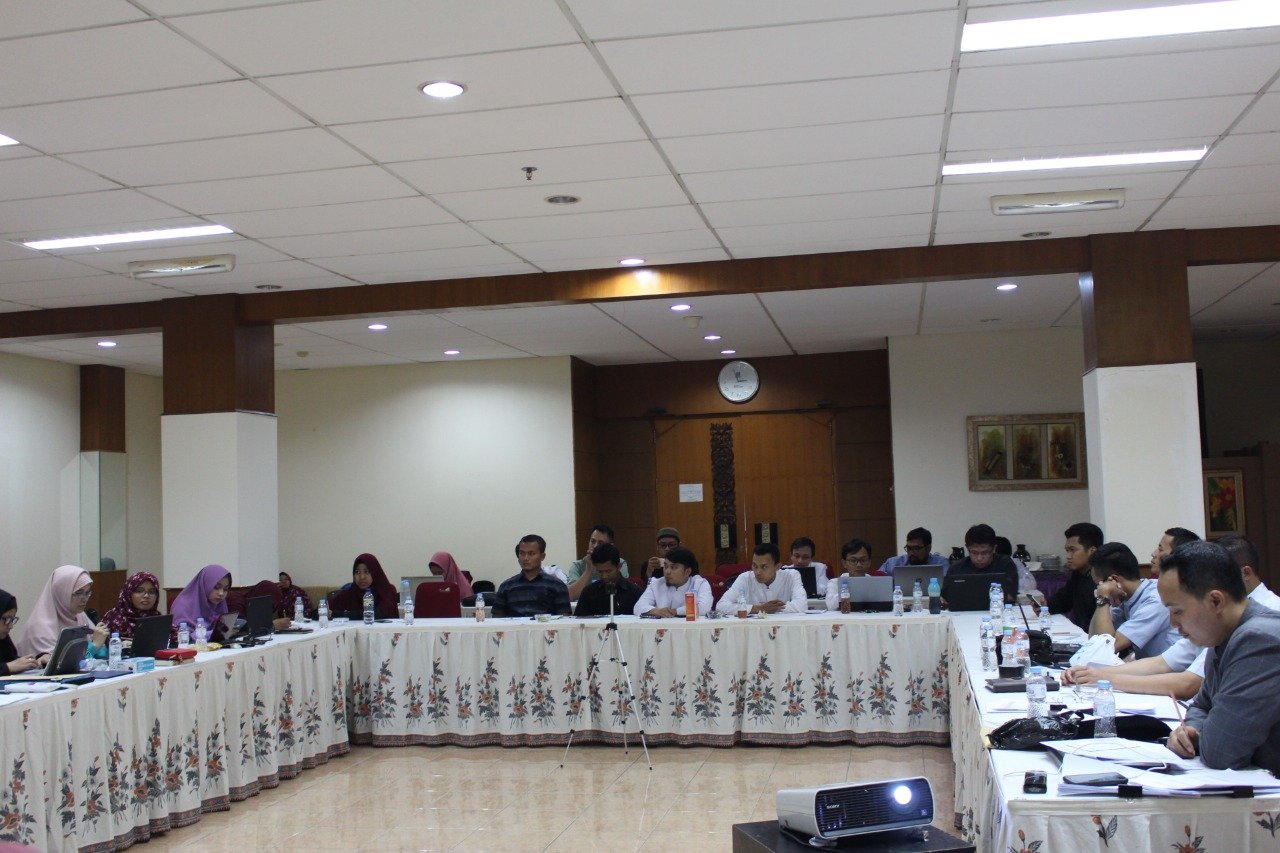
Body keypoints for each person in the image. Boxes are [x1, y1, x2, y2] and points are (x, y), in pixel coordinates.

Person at [1065, 534, 1280, 699]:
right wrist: (1097, 673)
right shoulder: (1216, 615)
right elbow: (1165, 663)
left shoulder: (1260, 626)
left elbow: (1190, 685)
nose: (1174, 622)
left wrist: (1105, 677)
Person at [1163, 541, 1280, 775]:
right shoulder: (1224, 633)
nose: (1173, 623)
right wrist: (1191, 731)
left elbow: (1221, 752)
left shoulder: (1258, 638)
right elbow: (1201, 705)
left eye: (1177, 611)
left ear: (1216, 601)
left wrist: (1200, 736)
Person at [1088, 542, 1179, 659]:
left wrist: (1103, 597)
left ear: (1114, 579)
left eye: (1100, 584)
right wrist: (1102, 599)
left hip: (1170, 668)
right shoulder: (1125, 597)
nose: (1099, 589)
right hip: (1149, 664)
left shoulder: (1156, 600)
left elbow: (1106, 647)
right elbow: (1093, 641)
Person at [16, 565, 101, 658]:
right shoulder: (39, 628)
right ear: (61, 592)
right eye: (78, 593)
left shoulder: (79, 616)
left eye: (87, 593)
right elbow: (62, 663)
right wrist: (94, 646)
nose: (84, 599)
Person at [715, 543, 807, 615]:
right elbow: (721, 606)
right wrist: (758, 609)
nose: (758, 572)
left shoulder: (791, 576)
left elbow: (802, 605)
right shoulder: (745, 578)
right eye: (755, 566)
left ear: (777, 567)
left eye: (764, 567)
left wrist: (771, 608)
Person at [493, 534, 571, 617]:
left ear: (542, 556)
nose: (525, 558)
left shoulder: (557, 586)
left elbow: (564, 619)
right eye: (522, 553)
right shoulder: (506, 586)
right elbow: (496, 619)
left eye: (531, 553)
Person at [1045, 522, 1102, 631]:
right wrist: (1044, 606)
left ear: (1092, 551)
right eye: (1067, 551)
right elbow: (1063, 601)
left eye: (1073, 550)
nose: (1068, 556)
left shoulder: (1103, 578)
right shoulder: (1078, 574)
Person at [948, 525, 1018, 603]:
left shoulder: (1005, 564)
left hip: (997, 608)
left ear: (994, 548)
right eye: (974, 552)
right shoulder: (957, 568)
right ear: (967, 548)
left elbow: (1011, 597)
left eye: (985, 553)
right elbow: (946, 597)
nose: (979, 558)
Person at [635, 546, 712, 618]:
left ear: (687, 572)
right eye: (665, 566)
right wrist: (657, 611)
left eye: (673, 567)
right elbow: (638, 607)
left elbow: (704, 608)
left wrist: (675, 611)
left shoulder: (699, 584)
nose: (667, 571)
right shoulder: (656, 583)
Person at [572, 543, 641, 618]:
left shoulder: (634, 592)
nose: (604, 576)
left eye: (608, 571)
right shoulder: (589, 592)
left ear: (619, 566)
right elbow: (578, 621)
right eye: (600, 571)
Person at [170, 564, 234, 640]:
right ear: (205, 584)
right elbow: (181, 637)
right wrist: (213, 634)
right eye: (216, 587)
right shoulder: (183, 605)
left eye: (225, 589)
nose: (221, 593)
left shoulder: (220, 604)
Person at [566, 525, 631, 599]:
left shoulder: (618, 563)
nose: (595, 546)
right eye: (592, 541)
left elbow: (622, 591)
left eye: (600, 543)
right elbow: (570, 596)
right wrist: (588, 570)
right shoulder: (577, 565)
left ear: (610, 546)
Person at [330, 554, 399, 620]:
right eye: (357, 572)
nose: (362, 577)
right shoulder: (350, 594)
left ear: (375, 573)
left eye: (367, 572)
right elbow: (326, 610)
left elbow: (378, 613)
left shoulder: (387, 590)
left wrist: (341, 614)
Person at [99, 571, 162, 641]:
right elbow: (100, 645)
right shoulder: (112, 618)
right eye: (139, 591)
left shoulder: (158, 619)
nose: (146, 596)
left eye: (152, 592)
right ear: (129, 593)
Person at [0, 589, 48, 674]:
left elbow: (13, 662)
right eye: (7, 619)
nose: (10, 626)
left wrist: (37, 661)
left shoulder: (4, 642)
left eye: (12, 619)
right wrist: (7, 667)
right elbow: (10, 665)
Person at [878, 527, 949, 576]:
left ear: (928, 548)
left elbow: (946, 586)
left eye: (916, 548)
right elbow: (878, 581)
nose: (911, 552)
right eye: (908, 548)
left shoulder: (940, 564)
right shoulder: (893, 563)